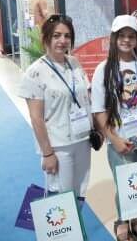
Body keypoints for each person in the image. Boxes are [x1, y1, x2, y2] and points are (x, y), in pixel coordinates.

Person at [91, 15, 137, 241]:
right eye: (122, 35)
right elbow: (98, 109)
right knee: (125, 183)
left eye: (131, 36)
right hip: (119, 138)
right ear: (114, 37)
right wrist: (114, 138)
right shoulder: (104, 69)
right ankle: (122, 221)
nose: (126, 40)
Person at [18, 14, 93, 203]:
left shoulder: (74, 63)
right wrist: (48, 153)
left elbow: (86, 97)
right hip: (58, 146)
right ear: (46, 38)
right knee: (61, 198)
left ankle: (77, 221)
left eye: (67, 36)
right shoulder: (35, 72)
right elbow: (36, 118)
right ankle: (67, 225)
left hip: (82, 140)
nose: (62, 40)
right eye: (56, 35)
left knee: (80, 191)